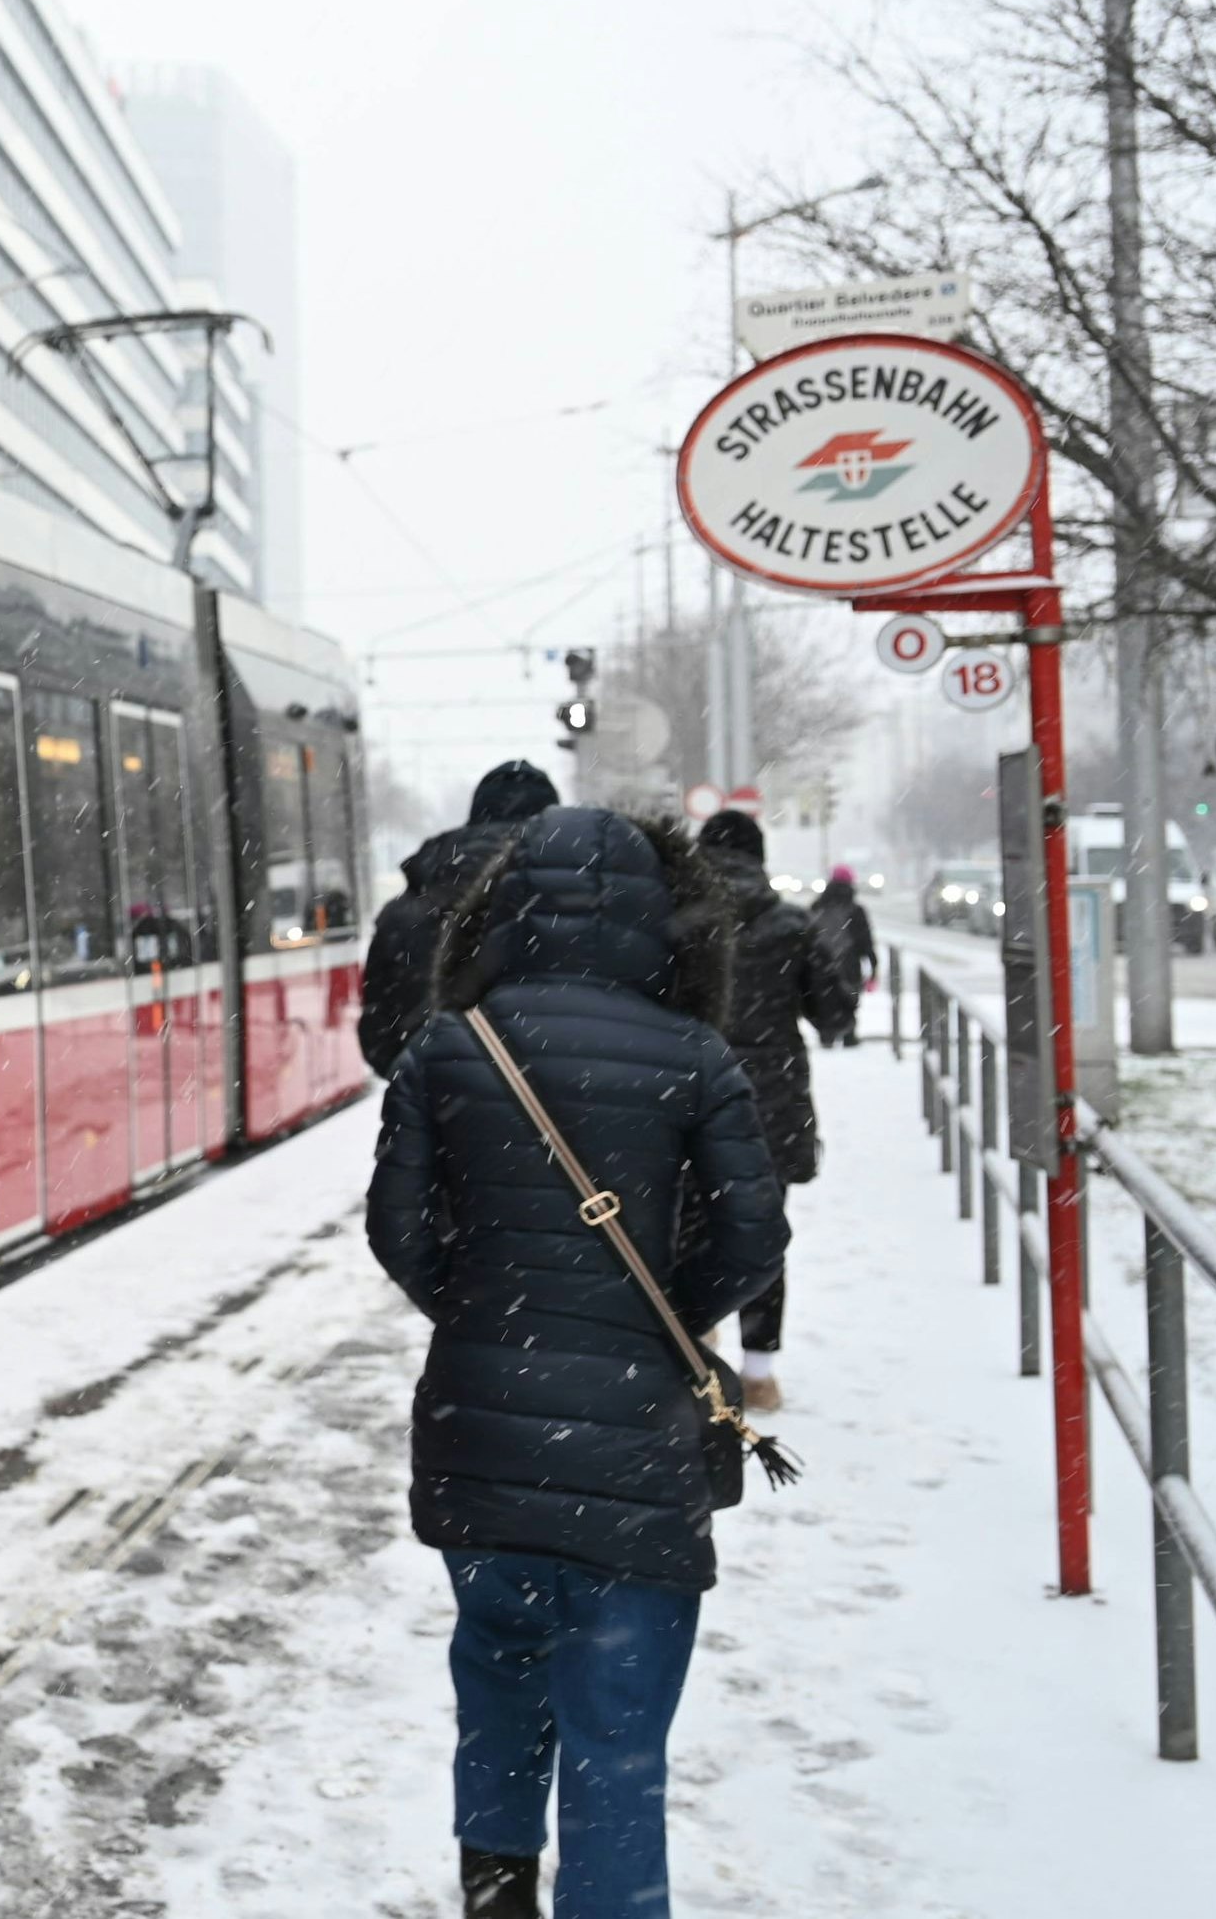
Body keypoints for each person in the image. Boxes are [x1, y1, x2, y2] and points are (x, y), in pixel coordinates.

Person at [369, 806, 788, 1919]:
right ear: (666, 918)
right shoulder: (695, 1056)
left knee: (497, 1693)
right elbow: (755, 1236)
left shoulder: (450, 1047)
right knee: (618, 1745)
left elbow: (396, 1230)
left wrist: (480, 1313)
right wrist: (657, 1319)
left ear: (502, 910)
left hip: (482, 1432)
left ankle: (496, 1898)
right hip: (637, 1453)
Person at [696, 810, 853, 1410]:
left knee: (687, 1223)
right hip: (770, 1101)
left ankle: (694, 1340)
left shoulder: (676, 921)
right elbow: (833, 1013)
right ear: (759, 858)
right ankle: (758, 1373)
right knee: (760, 1230)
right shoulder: (790, 924)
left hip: (689, 1091)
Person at [359, 760, 561, 1077]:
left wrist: (426, 1084)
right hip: (564, 1095)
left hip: (440, 1094)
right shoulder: (580, 902)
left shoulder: (405, 914)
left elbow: (378, 1036)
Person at [808, 866, 879, 1046]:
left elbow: (807, 936)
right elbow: (865, 941)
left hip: (821, 962)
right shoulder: (856, 910)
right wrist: (873, 966)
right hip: (849, 962)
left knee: (825, 998)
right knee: (849, 997)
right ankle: (849, 1035)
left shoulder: (817, 907)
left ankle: (827, 1035)